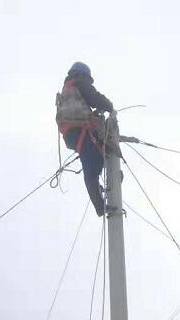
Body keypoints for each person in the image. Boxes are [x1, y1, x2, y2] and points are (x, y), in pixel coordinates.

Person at [56, 62, 115, 217]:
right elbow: (94, 98)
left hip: (71, 134)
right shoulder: (79, 83)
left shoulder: (66, 91)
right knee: (92, 167)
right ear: (83, 75)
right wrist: (109, 106)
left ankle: (101, 195)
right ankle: (100, 204)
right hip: (81, 129)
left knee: (95, 160)